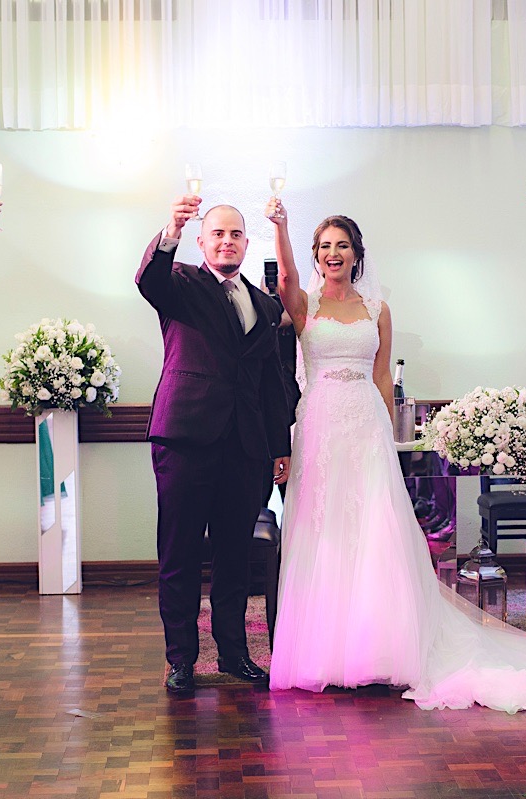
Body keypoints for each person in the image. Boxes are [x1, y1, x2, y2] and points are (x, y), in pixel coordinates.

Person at [263, 196, 526, 709]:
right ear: (315, 254)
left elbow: (380, 379)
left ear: (356, 255)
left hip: (365, 426)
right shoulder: (305, 304)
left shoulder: (377, 310)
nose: (334, 254)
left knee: (376, 529)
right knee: (322, 528)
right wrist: (280, 226)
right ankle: (324, 652)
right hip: (320, 426)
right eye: (325, 246)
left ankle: (380, 648)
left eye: (342, 246)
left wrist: (386, 433)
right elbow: (282, 281)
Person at [136, 194, 293, 696]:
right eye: (218, 234)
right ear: (202, 242)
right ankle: (181, 658)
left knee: (234, 554)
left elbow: (271, 381)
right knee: (179, 552)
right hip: (186, 435)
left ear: (247, 243)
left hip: (246, 446)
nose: (227, 242)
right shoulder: (180, 284)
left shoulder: (265, 304)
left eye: (236, 235)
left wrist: (278, 445)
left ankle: (233, 652)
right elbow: (148, 280)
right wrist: (170, 232)